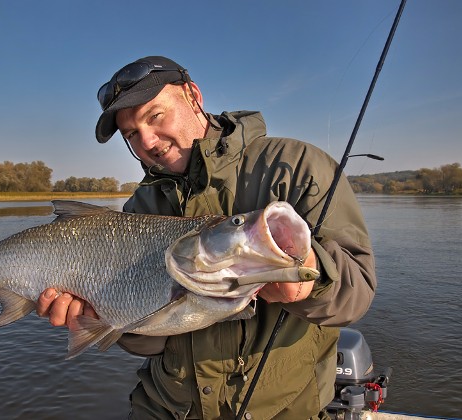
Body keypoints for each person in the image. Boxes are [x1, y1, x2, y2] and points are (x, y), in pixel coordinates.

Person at [36, 56, 376, 419]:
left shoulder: (295, 165)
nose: (147, 141)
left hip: (284, 409)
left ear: (192, 95)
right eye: (132, 134)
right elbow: (152, 340)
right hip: (166, 407)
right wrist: (102, 316)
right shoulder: (141, 203)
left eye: (155, 116)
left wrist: (313, 277)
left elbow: (356, 294)